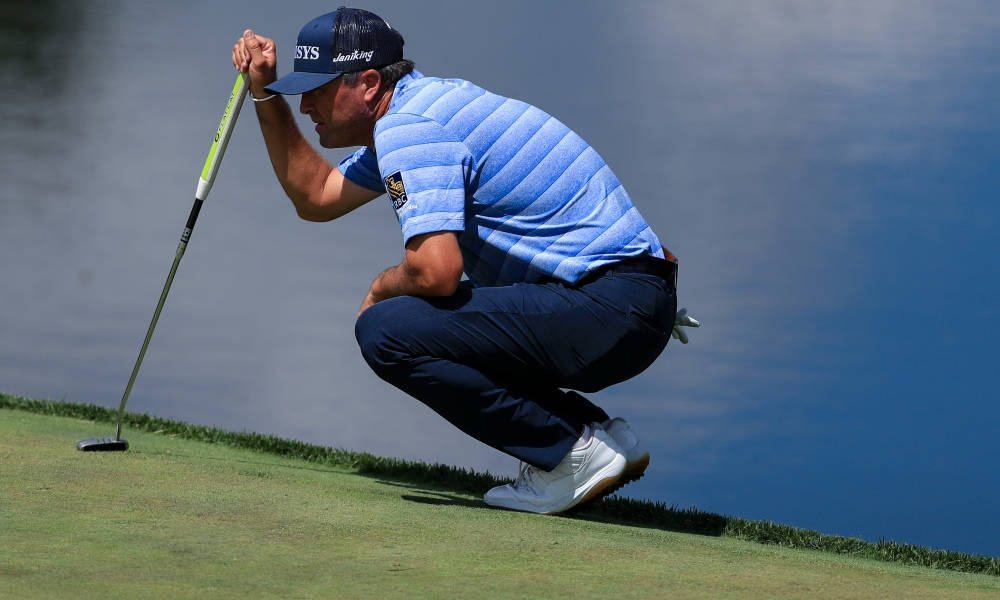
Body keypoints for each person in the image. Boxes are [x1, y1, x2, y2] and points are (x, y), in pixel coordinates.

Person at [232, 7, 699, 515]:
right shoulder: (425, 109)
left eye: (317, 91)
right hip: (630, 301)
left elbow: (436, 272)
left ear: (367, 83)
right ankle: (597, 437)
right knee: (426, 318)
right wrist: (263, 91)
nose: (304, 107)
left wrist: (380, 289)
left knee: (388, 330)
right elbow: (317, 196)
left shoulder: (408, 129)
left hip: (608, 305)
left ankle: (572, 451)